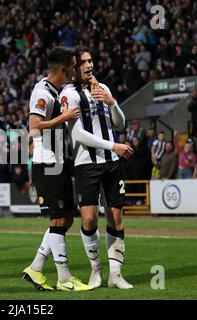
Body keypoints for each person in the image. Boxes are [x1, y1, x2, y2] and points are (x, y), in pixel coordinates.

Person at [60, 47, 134, 289]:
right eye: (84, 62)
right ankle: (96, 270)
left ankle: (115, 275)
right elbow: (78, 134)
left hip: (111, 163)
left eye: (91, 60)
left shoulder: (104, 88)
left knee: (116, 216)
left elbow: (120, 122)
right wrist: (113, 145)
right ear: (74, 67)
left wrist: (113, 103)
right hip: (86, 164)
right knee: (89, 219)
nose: (89, 65)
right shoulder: (69, 94)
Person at [22, 46, 92, 292]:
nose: (75, 70)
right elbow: (33, 126)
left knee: (66, 218)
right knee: (58, 218)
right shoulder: (42, 91)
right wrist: (62, 118)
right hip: (47, 161)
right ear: (63, 69)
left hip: (59, 160)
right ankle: (64, 278)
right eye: (73, 66)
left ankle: (36, 267)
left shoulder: (57, 90)